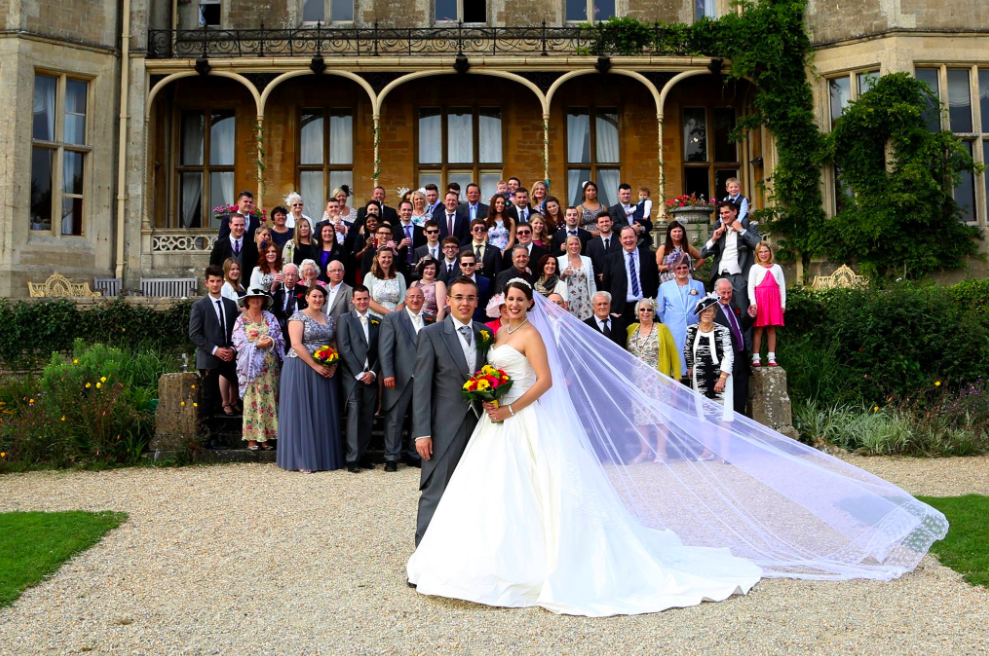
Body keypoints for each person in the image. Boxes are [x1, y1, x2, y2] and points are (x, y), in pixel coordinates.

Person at [407, 282, 766, 614]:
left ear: (530, 303)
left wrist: (510, 408)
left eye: (521, 300)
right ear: (502, 303)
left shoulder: (531, 334)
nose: (515, 304)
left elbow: (544, 381)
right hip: (494, 422)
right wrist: (491, 396)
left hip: (522, 417)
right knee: (491, 489)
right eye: (510, 299)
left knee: (539, 487)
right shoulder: (497, 333)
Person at [410, 276, 492, 545]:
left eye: (470, 297)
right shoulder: (431, 334)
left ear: (477, 301)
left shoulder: (486, 333)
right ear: (448, 300)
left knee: (475, 489)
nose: (464, 303)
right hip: (443, 427)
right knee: (436, 489)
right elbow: (421, 387)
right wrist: (422, 432)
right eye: (459, 297)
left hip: (481, 425)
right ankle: (423, 554)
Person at [277, 285, 343, 473]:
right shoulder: (298, 317)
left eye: (321, 296)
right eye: (314, 296)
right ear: (306, 298)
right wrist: (315, 366)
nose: (317, 299)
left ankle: (322, 458)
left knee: (321, 411)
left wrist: (333, 365)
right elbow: (296, 344)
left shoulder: (330, 319)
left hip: (325, 367)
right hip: (301, 367)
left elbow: (334, 344)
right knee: (302, 411)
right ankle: (302, 459)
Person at [380, 285, 430, 472]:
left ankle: (414, 454)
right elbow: (385, 349)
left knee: (418, 417)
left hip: (423, 378)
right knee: (395, 419)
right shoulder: (392, 319)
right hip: (400, 377)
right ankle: (391, 457)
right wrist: (388, 373)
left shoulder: (430, 320)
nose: (415, 300)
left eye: (419, 297)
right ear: (406, 300)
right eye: (412, 297)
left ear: (423, 300)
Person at [626, 297, 681, 463]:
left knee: (660, 417)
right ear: (637, 312)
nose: (645, 312)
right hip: (637, 382)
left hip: (658, 380)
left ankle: (661, 452)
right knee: (640, 417)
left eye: (649, 310)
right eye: (642, 309)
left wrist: (677, 378)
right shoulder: (630, 329)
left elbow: (673, 354)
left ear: (654, 312)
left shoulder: (662, 329)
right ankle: (645, 451)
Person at [189, 265, 239, 445]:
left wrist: (232, 349)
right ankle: (207, 438)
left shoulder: (231, 305)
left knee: (243, 384)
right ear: (206, 283)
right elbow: (194, 334)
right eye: (212, 281)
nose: (215, 284)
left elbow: (236, 331)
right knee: (209, 398)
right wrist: (215, 350)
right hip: (209, 358)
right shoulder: (199, 306)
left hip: (229, 356)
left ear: (223, 282)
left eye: (218, 281)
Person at [232, 288, 284, 450]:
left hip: (270, 369)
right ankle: (252, 438)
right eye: (253, 298)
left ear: (264, 301)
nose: (256, 300)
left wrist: (271, 341)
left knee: (269, 401)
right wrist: (257, 345)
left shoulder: (270, 318)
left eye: (259, 298)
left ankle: (266, 437)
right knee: (252, 401)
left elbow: (280, 338)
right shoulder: (241, 320)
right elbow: (239, 344)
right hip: (251, 370)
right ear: (247, 300)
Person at [336, 286, 380, 473]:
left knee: (368, 417)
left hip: (372, 377)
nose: (362, 302)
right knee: (354, 416)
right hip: (353, 377)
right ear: (352, 300)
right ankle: (352, 458)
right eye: (359, 299)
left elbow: (381, 350)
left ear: (369, 299)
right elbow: (344, 348)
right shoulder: (345, 319)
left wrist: (374, 372)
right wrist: (359, 373)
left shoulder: (377, 321)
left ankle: (362, 455)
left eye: (365, 298)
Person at [699, 200, 761, 312]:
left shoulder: (747, 226)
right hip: (720, 276)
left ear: (735, 212)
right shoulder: (719, 229)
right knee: (720, 312)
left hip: (739, 277)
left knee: (742, 312)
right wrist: (714, 239)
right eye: (722, 213)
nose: (724, 216)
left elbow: (758, 246)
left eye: (726, 212)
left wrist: (741, 230)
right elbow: (702, 253)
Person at [685, 293, 736, 431]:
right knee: (704, 416)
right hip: (700, 378)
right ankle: (707, 446)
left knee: (724, 417)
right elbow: (688, 350)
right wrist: (690, 366)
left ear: (714, 314)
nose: (707, 314)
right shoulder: (691, 330)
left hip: (721, 378)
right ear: (699, 314)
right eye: (704, 311)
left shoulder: (723, 331)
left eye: (710, 311)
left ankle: (723, 446)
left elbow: (728, 355)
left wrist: (723, 378)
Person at [657, 254, 707, 376]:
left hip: (694, 328)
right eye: (678, 268)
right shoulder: (664, 287)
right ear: (673, 270)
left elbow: (703, 307)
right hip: (673, 329)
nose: (682, 270)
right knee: (676, 358)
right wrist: (669, 322)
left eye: (684, 267)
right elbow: (659, 309)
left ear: (688, 268)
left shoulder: (698, 285)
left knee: (694, 356)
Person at [713, 278, 756, 417]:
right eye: (723, 292)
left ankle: (739, 428)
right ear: (716, 292)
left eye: (729, 292)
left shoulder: (732, 306)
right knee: (726, 404)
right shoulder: (712, 311)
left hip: (741, 360)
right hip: (725, 363)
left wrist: (749, 316)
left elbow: (738, 329)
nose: (726, 296)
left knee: (740, 401)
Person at [602, 225, 660, 325]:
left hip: (645, 307)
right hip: (621, 310)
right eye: (625, 238)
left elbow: (655, 280)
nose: (628, 240)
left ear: (636, 238)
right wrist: (611, 309)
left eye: (631, 237)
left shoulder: (649, 255)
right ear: (620, 240)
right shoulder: (610, 259)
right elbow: (606, 286)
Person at [747, 242, 786, 367]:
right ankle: (756, 358)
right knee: (758, 329)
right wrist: (753, 303)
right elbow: (751, 287)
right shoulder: (755, 268)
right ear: (757, 254)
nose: (763, 254)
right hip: (760, 301)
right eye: (760, 252)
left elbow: (782, 287)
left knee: (771, 329)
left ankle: (771, 357)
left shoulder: (777, 268)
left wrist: (783, 304)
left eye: (766, 251)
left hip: (774, 301)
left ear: (770, 252)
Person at [210, 213, 258, 284]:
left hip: (246, 287)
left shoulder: (252, 246)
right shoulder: (219, 245)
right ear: (230, 225)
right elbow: (213, 267)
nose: (239, 228)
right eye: (236, 225)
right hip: (225, 286)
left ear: (245, 225)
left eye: (242, 225)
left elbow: (255, 268)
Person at [558, 234, 596, 320]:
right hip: (569, 299)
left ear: (580, 245)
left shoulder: (587, 260)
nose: (574, 246)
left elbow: (591, 282)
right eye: (571, 244)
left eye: (576, 244)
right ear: (567, 246)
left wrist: (594, 300)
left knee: (587, 323)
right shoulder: (560, 260)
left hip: (585, 298)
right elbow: (557, 282)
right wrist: (564, 274)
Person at [271, 263, 306, 352]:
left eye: (293, 275)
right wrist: (273, 288)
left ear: (297, 277)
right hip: (280, 329)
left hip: (299, 329)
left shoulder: (305, 290)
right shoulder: (276, 289)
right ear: (283, 277)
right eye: (287, 274)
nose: (290, 278)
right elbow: (269, 304)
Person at [364, 246, 407, 318]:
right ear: (377, 258)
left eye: (389, 257)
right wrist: (390, 315)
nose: (387, 260)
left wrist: (395, 318)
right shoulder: (369, 276)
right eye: (384, 257)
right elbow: (369, 300)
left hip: (396, 317)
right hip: (376, 317)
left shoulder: (399, 276)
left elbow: (402, 299)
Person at [585, 211, 621, 286]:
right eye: (601, 222)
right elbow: (589, 262)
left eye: (606, 221)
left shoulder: (620, 240)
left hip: (618, 281)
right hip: (598, 282)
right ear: (597, 225)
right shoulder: (591, 244)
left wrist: (609, 274)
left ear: (611, 222)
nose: (604, 224)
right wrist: (600, 274)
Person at [392, 199, 425, 279]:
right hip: (399, 270)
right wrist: (400, 245)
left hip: (417, 271)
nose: (406, 212)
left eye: (409, 210)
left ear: (412, 212)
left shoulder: (421, 230)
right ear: (399, 212)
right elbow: (390, 252)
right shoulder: (392, 231)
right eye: (404, 210)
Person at [457, 250, 492, 322]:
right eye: (464, 264)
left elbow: (488, 305)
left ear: (475, 265)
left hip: (480, 322)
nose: (468, 267)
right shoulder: (452, 282)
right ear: (460, 265)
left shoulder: (486, 282)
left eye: (471, 264)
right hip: (458, 321)